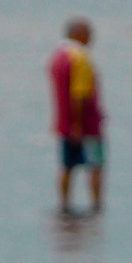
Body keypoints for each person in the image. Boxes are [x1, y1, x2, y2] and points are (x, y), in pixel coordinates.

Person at [47, 17, 106, 215]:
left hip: (63, 122)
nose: (91, 37)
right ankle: (96, 207)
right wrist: (79, 124)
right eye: (88, 33)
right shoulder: (80, 58)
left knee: (67, 166)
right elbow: (79, 94)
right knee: (96, 165)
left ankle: (64, 206)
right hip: (85, 124)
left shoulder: (57, 57)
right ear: (78, 34)